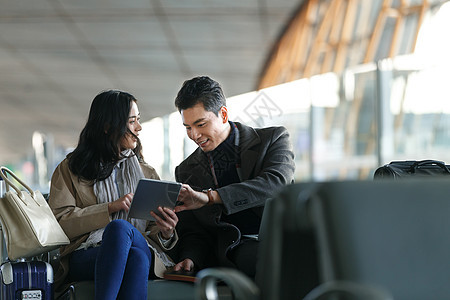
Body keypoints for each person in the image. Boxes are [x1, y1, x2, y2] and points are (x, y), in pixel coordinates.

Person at [49, 90, 179, 300]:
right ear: (108, 127)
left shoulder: (146, 172)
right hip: (86, 253)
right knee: (133, 254)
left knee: (126, 236)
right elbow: (60, 223)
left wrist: (166, 232)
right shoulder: (70, 169)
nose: (139, 127)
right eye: (132, 121)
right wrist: (109, 208)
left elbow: (155, 230)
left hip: (141, 245)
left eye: (139, 120)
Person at [171, 76, 295, 278]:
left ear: (223, 114)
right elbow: (194, 232)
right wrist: (191, 257)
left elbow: (276, 184)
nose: (194, 135)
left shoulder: (272, 140)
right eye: (187, 127)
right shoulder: (186, 170)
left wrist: (211, 197)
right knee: (270, 262)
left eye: (201, 124)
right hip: (237, 247)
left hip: (283, 238)